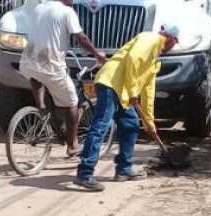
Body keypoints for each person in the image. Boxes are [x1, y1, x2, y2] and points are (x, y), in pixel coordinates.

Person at [74, 26, 179, 191]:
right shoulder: (149, 38)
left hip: (123, 92)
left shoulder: (154, 59)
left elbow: (148, 92)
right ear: (170, 37)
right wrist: (132, 92)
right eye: (175, 42)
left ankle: (124, 168)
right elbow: (132, 59)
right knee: (101, 126)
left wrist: (149, 122)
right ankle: (84, 173)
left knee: (131, 125)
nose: (174, 46)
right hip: (111, 83)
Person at [19, 0, 107, 157]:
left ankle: (42, 109)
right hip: (50, 65)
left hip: (28, 61)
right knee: (72, 101)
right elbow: (81, 38)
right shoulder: (67, 12)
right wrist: (97, 53)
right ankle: (72, 145)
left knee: (37, 77)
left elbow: (47, 36)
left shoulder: (39, 8)